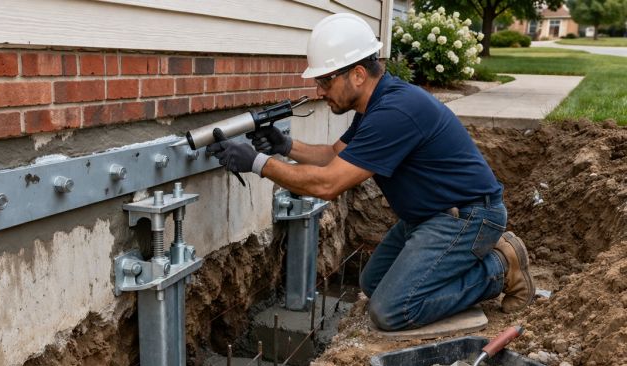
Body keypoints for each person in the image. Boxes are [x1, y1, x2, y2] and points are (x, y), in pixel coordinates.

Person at [207, 13, 534, 331]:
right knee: (373, 282)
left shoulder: (395, 112)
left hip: (467, 217)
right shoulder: (376, 105)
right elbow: (334, 157)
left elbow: (328, 184)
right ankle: (467, 266)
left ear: (358, 75)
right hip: (430, 217)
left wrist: (256, 163)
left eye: (326, 80)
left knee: (391, 311)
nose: (320, 91)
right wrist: (285, 146)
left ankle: (500, 268)